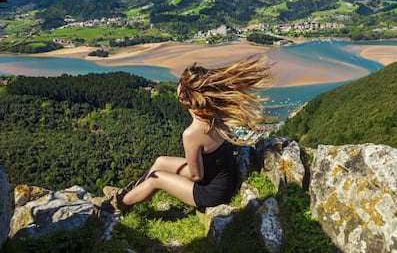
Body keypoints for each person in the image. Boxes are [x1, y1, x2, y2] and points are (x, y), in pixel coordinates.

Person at [92, 55, 274, 215]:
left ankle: (116, 205)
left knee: (157, 178)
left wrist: (175, 175)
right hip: (222, 180)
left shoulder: (192, 133)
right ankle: (130, 193)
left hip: (212, 193)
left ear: (187, 99)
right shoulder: (218, 114)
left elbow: (196, 176)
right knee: (161, 161)